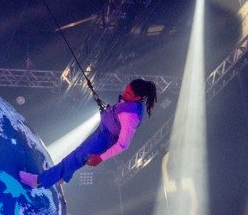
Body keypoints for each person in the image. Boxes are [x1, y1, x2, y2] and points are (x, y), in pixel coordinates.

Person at [19, 79, 158, 188]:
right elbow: (117, 114)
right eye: (126, 89)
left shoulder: (131, 117)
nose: (125, 93)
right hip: (103, 131)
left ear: (138, 98)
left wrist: (100, 158)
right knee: (79, 153)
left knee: (75, 157)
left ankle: (38, 181)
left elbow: (123, 145)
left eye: (129, 93)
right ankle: (63, 177)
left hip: (105, 140)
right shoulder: (128, 101)